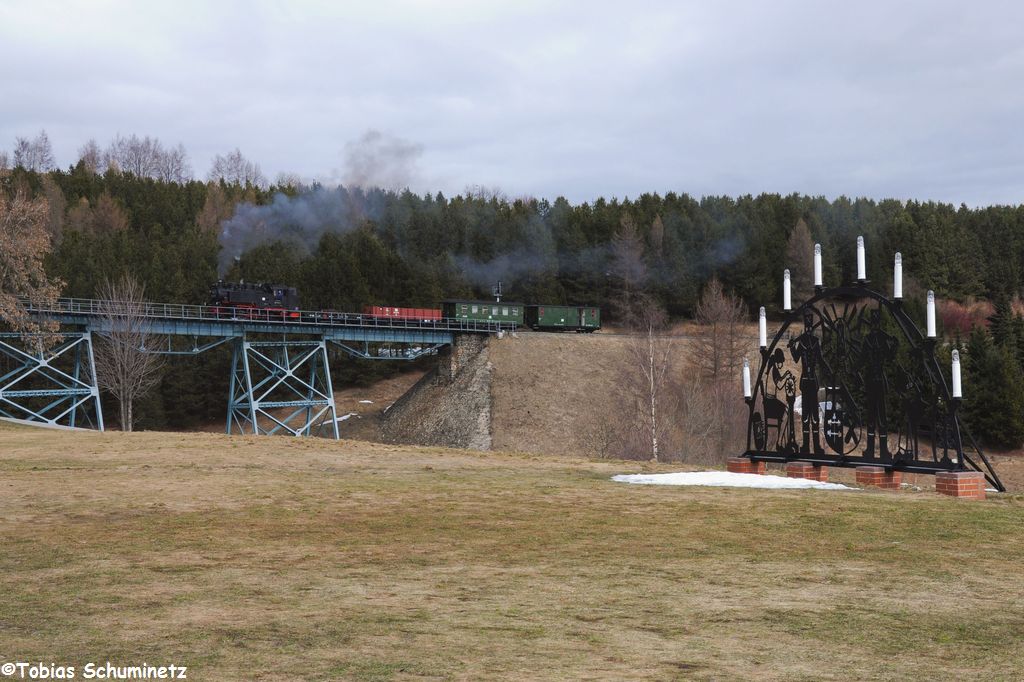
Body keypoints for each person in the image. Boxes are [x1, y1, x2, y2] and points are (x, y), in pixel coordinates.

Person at [789, 310, 826, 455]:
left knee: (814, 415)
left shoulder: (815, 342)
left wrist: (828, 370)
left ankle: (816, 446)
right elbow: (797, 358)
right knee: (805, 415)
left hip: (812, 382)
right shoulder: (803, 342)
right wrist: (792, 346)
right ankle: (805, 446)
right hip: (805, 382)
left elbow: (821, 360)